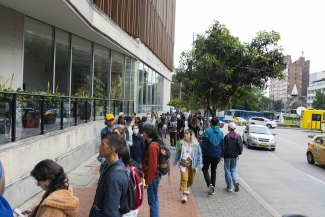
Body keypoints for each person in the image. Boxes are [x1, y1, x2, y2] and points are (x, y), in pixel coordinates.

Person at [89, 133, 128, 217]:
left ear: (111, 149)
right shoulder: (110, 167)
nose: (99, 146)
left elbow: (111, 212)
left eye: (102, 144)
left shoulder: (114, 177)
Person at [172, 129, 203, 203]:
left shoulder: (196, 144)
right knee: (184, 178)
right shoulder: (181, 143)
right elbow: (178, 153)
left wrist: (200, 163)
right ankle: (184, 194)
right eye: (184, 133)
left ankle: (187, 187)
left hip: (193, 163)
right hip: (183, 163)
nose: (185, 135)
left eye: (187, 133)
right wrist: (175, 161)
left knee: (191, 179)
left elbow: (199, 154)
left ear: (190, 135)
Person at [141, 125, 162, 217]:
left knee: (152, 201)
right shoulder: (153, 144)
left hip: (153, 176)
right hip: (154, 175)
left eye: (144, 132)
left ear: (148, 134)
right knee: (154, 200)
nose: (143, 134)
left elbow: (152, 166)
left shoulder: (152, 147)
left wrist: (147, 181)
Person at [201, 117, 224, 195]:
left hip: (208, 154)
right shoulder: (221, 133)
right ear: (217, 123)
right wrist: (221, 155)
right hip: (217, 155)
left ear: (211, 123)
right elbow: (222, 145)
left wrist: (202, 152)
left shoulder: (207, 131)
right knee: (213, 171)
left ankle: (210, 184)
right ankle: (213, 188)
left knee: (205, 169)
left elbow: (204, 144)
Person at [223, 122, 241, 192]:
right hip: (235, 156)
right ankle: (235, 181)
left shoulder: (226, 136)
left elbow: (224, 147)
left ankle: (229, 187)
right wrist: (238, 153)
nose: (227, 127)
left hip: (227, 156)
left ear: (230, 128)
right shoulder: (238, 136)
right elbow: (240, 147)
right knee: (233, 169)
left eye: (228, 126)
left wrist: (222, 155)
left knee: (227, 170)